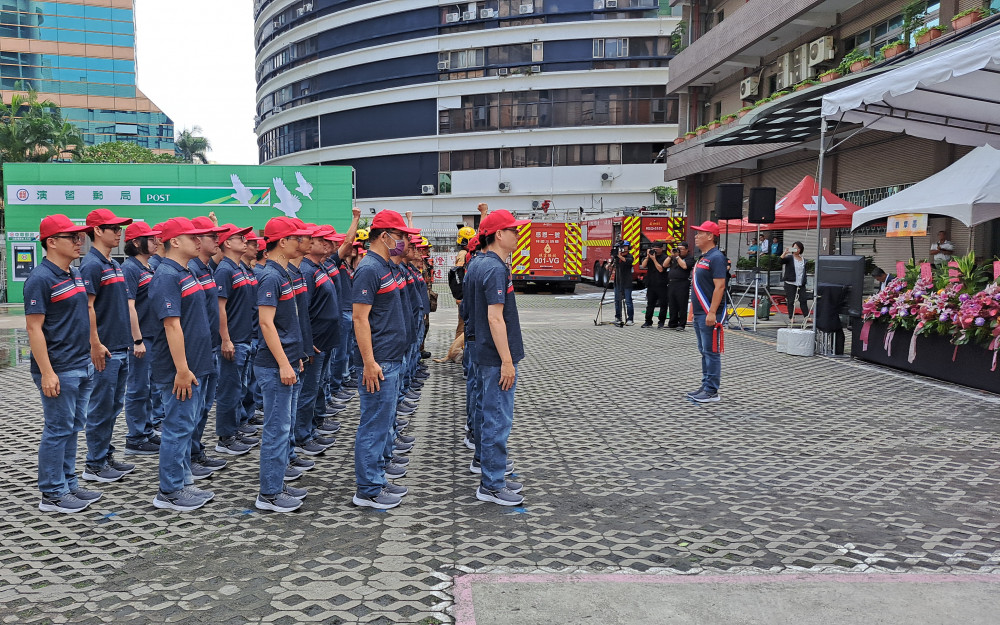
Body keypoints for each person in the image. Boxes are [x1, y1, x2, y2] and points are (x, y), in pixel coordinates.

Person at [25, 215, 100, 513]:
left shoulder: (74, 273)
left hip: (81, 364)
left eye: (80, 237)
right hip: (59, 369)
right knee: (58, 429)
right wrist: (46, 372)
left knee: (72, 427)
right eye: (72, 237)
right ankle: (52, 493)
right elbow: (33, 329)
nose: (79, 242)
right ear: (51, 242)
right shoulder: (40, 279)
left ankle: (68, 483)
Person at [352, 209, 420, 509]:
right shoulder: (369, 269)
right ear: (384, 236)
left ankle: (377, 478)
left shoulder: (385, 266)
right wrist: (369, 361)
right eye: (401, 236)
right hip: (379, 362)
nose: (404, 242)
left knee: (383, 424)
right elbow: (359, 318)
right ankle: (367, 489)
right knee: (374, 425)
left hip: (392, 357)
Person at [148, 217, 217, 511]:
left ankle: (183, 481)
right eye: (194, 237)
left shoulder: (184, 271)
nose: (199, 241)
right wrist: (182, 369)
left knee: (186, 424)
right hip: (180, 369)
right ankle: (170, 491)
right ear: (175, 241)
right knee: (176, 427)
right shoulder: (166, 275)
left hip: (195, 364)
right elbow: (172, 326)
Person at [466, 209, 527, 506]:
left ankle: (490, 469)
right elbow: (495, 318)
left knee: (486, 412)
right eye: (513, 230)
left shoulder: (479, 264)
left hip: (482, 352)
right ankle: (491, 484)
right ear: (499, 235)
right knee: (497, 419)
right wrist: (506, 360)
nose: (518, 234)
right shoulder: (494, 269)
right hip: (494, 357)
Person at [254, 217, 313, 512]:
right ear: (282, 242)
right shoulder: (270, 277)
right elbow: (266, 323)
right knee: (276, 429)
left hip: (287, 361)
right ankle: (269, 494)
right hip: (274, 365)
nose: (301, 242)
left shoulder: (284, 273)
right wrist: (283, 363)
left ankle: (276, 483)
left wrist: (295, 358)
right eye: (296, 238)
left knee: (284, 427)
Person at [80, 208, 137, 484]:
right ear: (97, 232)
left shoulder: (113, 263)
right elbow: (87, 307)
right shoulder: (91, 265)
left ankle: (104, 454)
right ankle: (94, 464)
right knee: (101, 407)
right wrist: (95, 343)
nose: (119, 232)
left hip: (120, 346)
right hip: (105, 349)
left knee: (113, 407)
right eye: (112, 228)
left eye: (120, 228)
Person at [187, 216, 230, 479]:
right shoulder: (188, 268)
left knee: (203, 408)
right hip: (196, 351)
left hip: (210, 347)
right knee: (190, 412)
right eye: (212, 236)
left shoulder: (205, 268)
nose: (218, 240)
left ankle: (196, 451)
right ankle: (188, 459)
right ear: (195, 240)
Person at [213, 223, 257, 457]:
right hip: (234, 341)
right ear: (226, 243)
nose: (246, 240)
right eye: (239, 237)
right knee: (229, 390)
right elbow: (220, 307)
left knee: (239, 387)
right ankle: (225, 437)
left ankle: (236, 426)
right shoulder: (225, 270)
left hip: (245, 338)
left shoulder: (239, 267)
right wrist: (226, 339)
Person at [121, 222, 162, 457]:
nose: (156, 242)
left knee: (147, 387)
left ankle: (146, 432)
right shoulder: (131, 269)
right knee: (137, 388)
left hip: (151, 336)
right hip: (140, 338)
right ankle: (135, 437)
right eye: (151, 238)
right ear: (136, 242)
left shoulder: (147, 267)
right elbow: (129, 306)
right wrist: (137, 340)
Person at [687, 221, 726, 404]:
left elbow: (720, 287)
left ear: (710, 236)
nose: (696, 236)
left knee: (711, 352)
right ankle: (705, 384)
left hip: (709, 313)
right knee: (704, 350)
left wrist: (712, 312)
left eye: (700, 233)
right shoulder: (703, 257)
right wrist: (693, 310)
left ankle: (712, 390)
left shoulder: (717, 257)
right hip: (700, 313)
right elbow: (698, 287)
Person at [640, 241, 669, 328]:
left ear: (661, 249)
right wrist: (648, 257)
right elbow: (643, 265)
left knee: (663, 304)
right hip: (651, 283)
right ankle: (648, 321)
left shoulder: (665, 257)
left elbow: (661, 269)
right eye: (653, 249)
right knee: (650, 304)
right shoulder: (650, 257)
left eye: (657, 249)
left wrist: (654, 259)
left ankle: (661, 322)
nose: (655, 251)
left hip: (662, 284)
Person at [667, 241, 694, 331]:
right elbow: (665, 265)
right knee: (672, 303)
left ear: (686, 250)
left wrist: (677, 257)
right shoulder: (674, 258)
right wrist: (671, 255)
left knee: (682, 304)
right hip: (672, 283)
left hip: (682, 283)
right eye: (678, 249)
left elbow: (685, 266)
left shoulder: (690, 258)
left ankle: (681, 324)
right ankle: (672, 322)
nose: (679, 251)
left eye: (681, 249)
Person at [780, 241, 809, 322]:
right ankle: (791, 317)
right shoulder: (790, 258)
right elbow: (780, 261)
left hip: (801, 283)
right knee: (791, 301)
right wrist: (785, 252)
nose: (797, 249)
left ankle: (806, 316)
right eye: (795, 247)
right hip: (790, 283)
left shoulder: (803, 259)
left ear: (801, 249)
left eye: (798, 248)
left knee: (803, 300)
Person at [611, 240, 634, 326]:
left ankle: (630, 319)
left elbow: (627, 261)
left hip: (627, 282)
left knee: (628, 301)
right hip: (618, 282)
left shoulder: (630, 256)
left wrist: (619, 256)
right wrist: (610, 265)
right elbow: (613, 266)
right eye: (622, 247)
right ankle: (618, 317)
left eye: (625, 247)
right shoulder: (617, 258)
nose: (623, 248)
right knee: (617, 300)